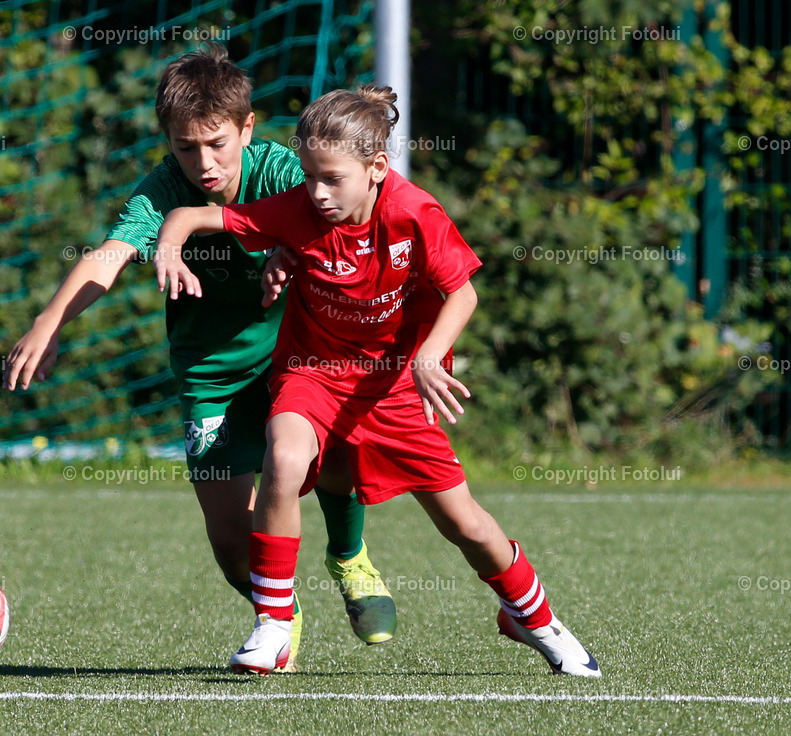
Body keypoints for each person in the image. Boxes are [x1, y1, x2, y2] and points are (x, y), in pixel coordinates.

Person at [153, 85, 602, 677]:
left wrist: (429, 356)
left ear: (378, 169)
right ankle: (274, 626)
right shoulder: (298, 208)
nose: (317, 192)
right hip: (312, 374)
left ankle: (534, 619)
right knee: (283, 457)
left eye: (332, 179)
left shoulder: (414, 212)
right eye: (308, 176)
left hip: (393, 387)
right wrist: (170, 246)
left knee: (465, 524)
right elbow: (189, 215)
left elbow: (462, 293)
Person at [2, 47, 397, 671]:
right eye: (186, 147)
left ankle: (349, 557)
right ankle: (279, 611)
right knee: (230, 538)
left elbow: (342, 217)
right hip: (210, 372)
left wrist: (290, 254)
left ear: (247, 128)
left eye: (217, 143)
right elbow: (110, 254)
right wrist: (47, 322)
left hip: (296, 356)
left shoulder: (284, 172)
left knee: (333, 455)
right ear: (168, 141)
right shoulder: (162, 190)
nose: (204, 162)